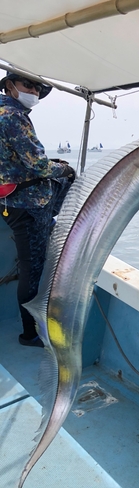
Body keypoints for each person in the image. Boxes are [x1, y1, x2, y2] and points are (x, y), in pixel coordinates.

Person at [0, 72, 75, 348]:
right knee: (33, 270)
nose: (33, 90)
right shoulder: (14, 117)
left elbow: (21, 160)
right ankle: (30, 333)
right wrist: (63, 168)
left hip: (12, 201)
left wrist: (50, 164)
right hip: (29, 206)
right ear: (9, 86)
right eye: (27, 84)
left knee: (32, 266)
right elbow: (38, 166)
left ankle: (53, 224)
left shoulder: (3, 112)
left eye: (36, 87)